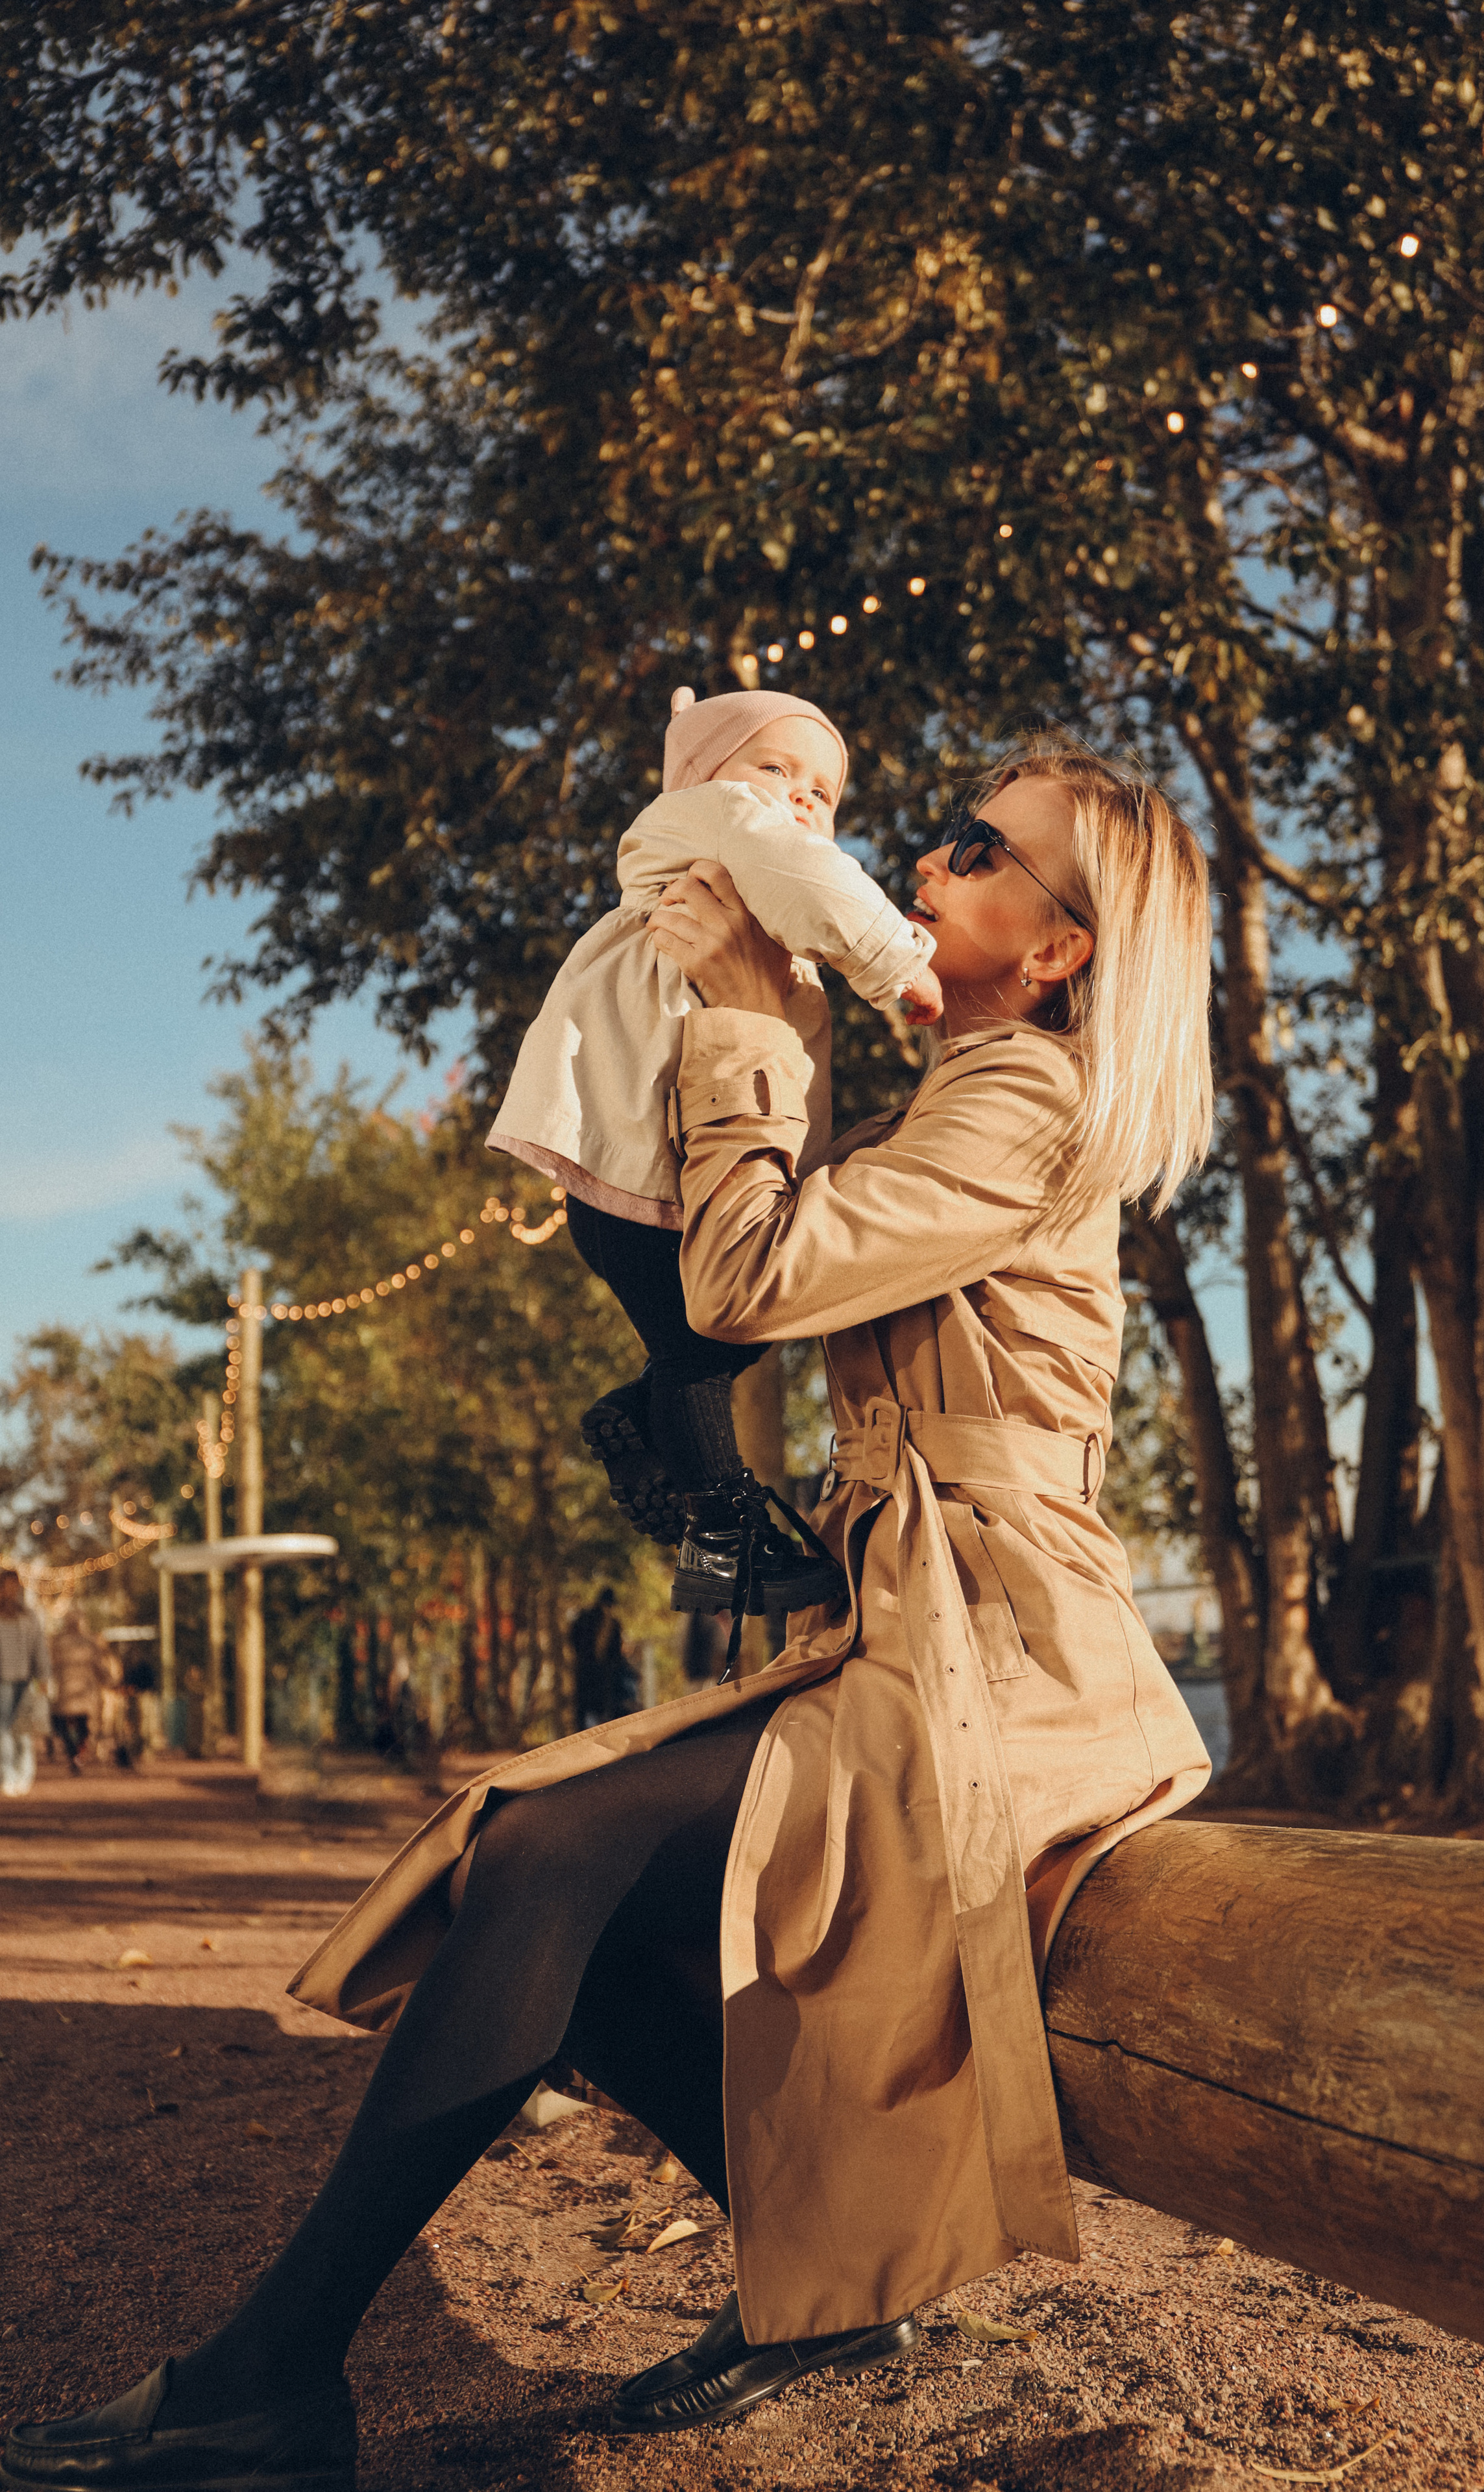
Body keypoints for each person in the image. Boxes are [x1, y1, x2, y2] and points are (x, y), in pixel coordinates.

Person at [3, 736, 1215, 2489]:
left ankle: (269, 2377)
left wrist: (741, 1016)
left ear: (1058, 951)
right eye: (938, 837)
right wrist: (758, 1025)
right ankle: (821, 2291)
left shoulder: (1025, 1099)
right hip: (904, 1639)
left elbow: (743, 1286)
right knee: (561, 1893)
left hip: (1002, 1666)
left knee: (552, 1854)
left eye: (976, 850)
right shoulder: (968, 1094)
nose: (923, 865)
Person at [489, 686, 943, 1626]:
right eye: (774, 767)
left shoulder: (753, 885)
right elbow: (814, 879)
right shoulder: (723, 829)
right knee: (704, 1347)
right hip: (647, 1162)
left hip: (669, 1171)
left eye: (824, 787)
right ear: (701, 780)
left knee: (738, 1326)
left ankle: (635, 1421)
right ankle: (725, 1539)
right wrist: (900, 962)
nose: (800, 797)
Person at [0, 1569, 52, 1800]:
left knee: (22, 1731)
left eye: (14, 1586)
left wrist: (43, 1678)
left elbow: (39, 1649)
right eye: (6, 1586)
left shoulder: (28, 1617)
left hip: (25, 1681)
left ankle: (25, 1774)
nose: (11, 1591)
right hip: (2, 1680)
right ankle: (7, 1776)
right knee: (2, 1731)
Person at [47, 1607, 118, 1775]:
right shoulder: (81, 1642)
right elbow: (99, 1666)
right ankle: (77, 1755)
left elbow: (97, 1665)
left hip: (73, 1693)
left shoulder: (63, 1642)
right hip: (78, 1693)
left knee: (71, 1726)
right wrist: (109, 1681)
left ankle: (75, 1755)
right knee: (79, 1727)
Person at [570, 1589, 640, 1729]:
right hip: (601, 1676)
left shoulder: (583, 1618)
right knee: (599, 1712)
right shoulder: (611, 1623)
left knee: (584, 1713)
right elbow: (616, 1654)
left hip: (586, 1672)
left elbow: (572, 1639)